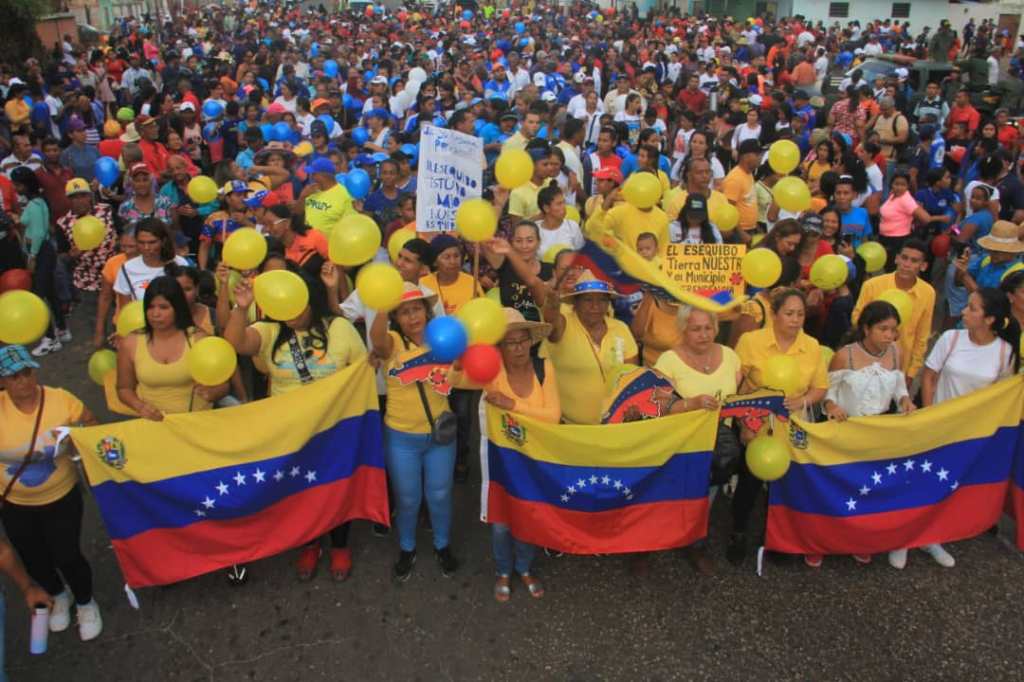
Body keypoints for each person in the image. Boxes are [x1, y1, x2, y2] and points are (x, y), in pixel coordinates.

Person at [223, 264, 367, 582]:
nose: (290, 315)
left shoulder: (339, 329)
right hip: (289, 434)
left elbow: (362, 373)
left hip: (333, 430)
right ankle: (309, 543)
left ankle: (340, 546)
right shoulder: (270, 331)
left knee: (335, 490)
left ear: (311, 299)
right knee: (299, 492)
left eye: (296, 307)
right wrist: (241, 308)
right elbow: (235, 344)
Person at [894, 288, 1021, 570]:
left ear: (989, 319)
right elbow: (929, 377)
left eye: (973, 308)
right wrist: (930, 415)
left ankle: (931, 537)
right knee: (918, 481)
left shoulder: (1004, 353)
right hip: (935, 425)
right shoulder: (951, 338)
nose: (964, 311)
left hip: (968, 435)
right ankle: (903, 538)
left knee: (948, 485)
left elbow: (998, 398)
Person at [0, 344, 102, 642]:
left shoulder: (60, 400)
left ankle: (85, 602)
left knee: (67, 553)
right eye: (13, 377)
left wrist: (74, 439)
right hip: (14, 502)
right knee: (33, 557)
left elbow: (92, 426)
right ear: (3, 382)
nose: (23, 381)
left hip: (61, 495)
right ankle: (58, 594)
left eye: (27, 372)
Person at [730, 289, 829, 564]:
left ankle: (777, 538)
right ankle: (738, 532)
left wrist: (803, 400)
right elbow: (736, 383)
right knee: (749, 482)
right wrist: (742, 422)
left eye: (800, 314)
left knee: (787, 485)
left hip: (793, 424)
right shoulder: (751, 341)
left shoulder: (811, 345)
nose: (796, 320)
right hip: (756, 423)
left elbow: (820, 387)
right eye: (789, 313)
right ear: (774, 314)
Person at [369, 283, 459, 582]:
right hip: (401, 437)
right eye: (404, 312)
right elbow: (377, 339)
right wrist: (383, 304)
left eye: (417, 309)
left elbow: (463, 370)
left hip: (441, 436)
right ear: (396, 317)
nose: (412, 317)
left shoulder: (444, 338)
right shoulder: (392, 342)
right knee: (408, 499)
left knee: (440, 494)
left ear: (427, 310)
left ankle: (442, 545)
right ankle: (407, 548)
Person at [821, 301, 915, 566]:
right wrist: (831, 405)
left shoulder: (896, 352)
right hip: (846, 432)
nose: (889, 335)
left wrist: (905, 400)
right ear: (866, 328)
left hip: (879, 434)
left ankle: (858, 540)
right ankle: (825, 538)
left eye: (893, 330)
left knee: (868, 490)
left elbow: (899, 385)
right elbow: (827, 391)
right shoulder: (845, 355)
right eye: (883, 329)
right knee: (839, 489)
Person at [652, 305, 744, 574]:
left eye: (708, 328)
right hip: (680, 444)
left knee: (705, 497)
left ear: (716, 328)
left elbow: (737, 396)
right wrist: (690, 404)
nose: (703, 334)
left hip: (718, 445)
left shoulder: (730, 356)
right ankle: (649, 546)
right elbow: (657, 404)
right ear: (683, 330)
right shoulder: (668, 360)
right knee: (672, 497)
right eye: (696, 328)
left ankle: (695, 545)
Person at [480, 308, 559, 601]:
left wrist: (511, 405)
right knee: (501, 522)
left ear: (531, 341)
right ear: (500, 346)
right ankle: (503, 570)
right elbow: (454, 377)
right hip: (502, 458)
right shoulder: (490, 371)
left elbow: (553, 416)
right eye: (510, 342)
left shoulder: (544, 367)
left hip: (535, 457)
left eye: (523, 340)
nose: (518, 348)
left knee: (530, 513)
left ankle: (524, 567)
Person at [116, 275, 227, 420]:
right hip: (152, 426)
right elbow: (124, 388)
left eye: (163, 307)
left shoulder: (199, 339)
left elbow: (223, 384)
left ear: (178, 308)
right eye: (150, 307)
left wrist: (214, 392)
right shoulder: (131, 343)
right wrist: (140, 406)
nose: (155, 314)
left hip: (197, 422)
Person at [541, 270, 639, 424]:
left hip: (615, 424)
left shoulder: (620, 328)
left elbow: (632, 376)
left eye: (602, 300)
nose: (595, 306)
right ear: (576, 303)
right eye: (588, 300)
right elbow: (551, 319)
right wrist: (552, 301)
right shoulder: (564, 325)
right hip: (571, 427)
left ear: (608, 303)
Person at [853, 240, 935, 389]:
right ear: (896, 258)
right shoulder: (872, 285)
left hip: (899, 367)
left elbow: (922, 335)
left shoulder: (928, 293)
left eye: (914, 261)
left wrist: (911, 373)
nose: (907, 264)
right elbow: (856, 319)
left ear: (923, 266)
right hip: (867, 361)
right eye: (904, 258)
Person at [877, 171, 950, 268]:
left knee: (892, 268)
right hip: (886, 238)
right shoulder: (892, 195)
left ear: (907, 186)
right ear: (891, 185)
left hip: (897, 241)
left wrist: (940, 218)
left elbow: (925, 218)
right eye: (896, 184)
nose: (899, 187)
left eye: (903, 185)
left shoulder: (906, 199)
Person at [113, 218, 190, 308]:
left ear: (163, 241)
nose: (146, 247)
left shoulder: (181, 263)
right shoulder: (127, 269)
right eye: (141, 242)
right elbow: (125, 308)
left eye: (152, 242)